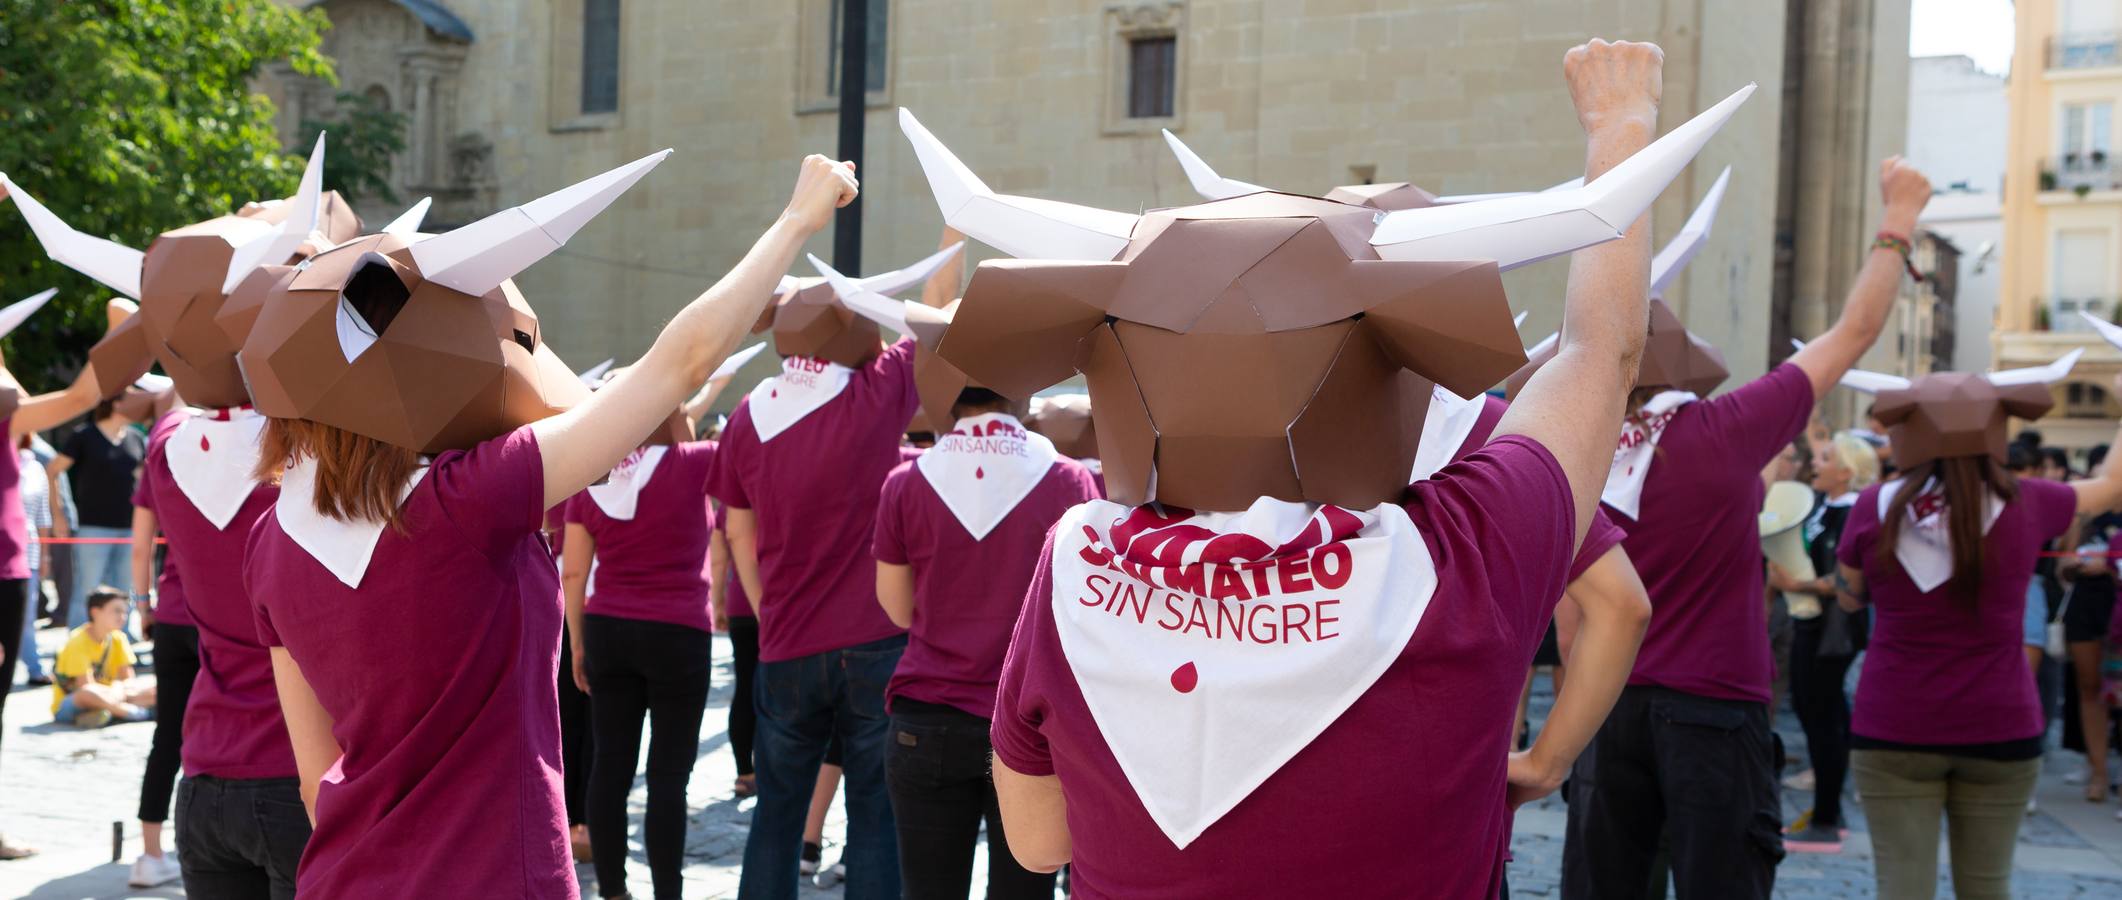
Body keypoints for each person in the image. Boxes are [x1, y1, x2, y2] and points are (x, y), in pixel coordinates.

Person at [902, 38, 1737, 896]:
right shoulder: (1466, 552)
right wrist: (1619, 130)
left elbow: (1039, 845)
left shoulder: (1075, 564)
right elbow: (1602, 353)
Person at [244, 153, 859, 899]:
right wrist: (795, 219)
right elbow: (677, 366)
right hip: (497, 874)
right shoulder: (465, 500)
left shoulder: (270, 543)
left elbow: (317, 782)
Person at [1559, 155, 1935, 898]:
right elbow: (1855, 331)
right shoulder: (1725, 428)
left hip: (1607, 706)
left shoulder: (1576, 446)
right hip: (1716, 706)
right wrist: (1897, 223)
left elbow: (1570, 620)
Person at [708, 245, 964, 899]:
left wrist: (767, 612)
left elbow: (737, 528)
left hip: (788, 639)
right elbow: (937, 313)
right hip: (877, 637)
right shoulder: (875, 395)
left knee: (776, 813)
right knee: (877, 813)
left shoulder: (745, 416)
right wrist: (955, 226)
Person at [1837, 370, 2122, 899]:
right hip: (2001, 723)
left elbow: (1850, 593)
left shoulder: (1874, 505)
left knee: (1901, 888)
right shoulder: (2028, 500)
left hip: (1895, 721)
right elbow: (2110, 487)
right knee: (1988, 887)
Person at [872, 383, 1099, 898]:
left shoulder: (906, 481)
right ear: (1022, 393)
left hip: (927, 712)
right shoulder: (1069, 479)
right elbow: (1085, 610)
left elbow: (896, 607)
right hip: (1031, 722)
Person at [563, 415, 720, 900]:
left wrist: (577, 643)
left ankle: (612, 890)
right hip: (680, 631)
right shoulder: (696, 462)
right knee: (669, 776)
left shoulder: (592, 479)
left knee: (609, 766)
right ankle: (668, 893)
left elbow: (573, 571)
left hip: (609, 626)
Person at [0, 281, 128, 862]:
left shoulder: (11, 420)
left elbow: (80, 394)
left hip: (12, 573)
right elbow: (82, 396)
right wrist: (124, 327)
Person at [1769, 431, 1881, 853]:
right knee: (1816, 713)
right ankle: (1826, 812)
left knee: (1824, 718)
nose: (1816, 463)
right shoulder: (1826, 505)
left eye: (1827, 458)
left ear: (1846, 473)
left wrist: (1798, 583)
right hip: (1811, 624)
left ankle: (1827, 818)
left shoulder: (1852, 513)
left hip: (1832, 631)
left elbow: (1851, 581)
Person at [51, 387, 151, 628]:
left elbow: (144, 481)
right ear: (116, 404)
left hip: (129, 527)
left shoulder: (135, 439)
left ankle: (120, 646)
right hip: (93, 527)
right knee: (87, 590)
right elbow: (52, 470)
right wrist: (58, 514)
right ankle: (77, 644)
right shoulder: (84, 436)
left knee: (122, 590)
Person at [52, 586, 156, 725]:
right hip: (74, 702)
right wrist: (118, 690)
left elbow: (128, 679)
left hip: (114, 695)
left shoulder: (118, 638)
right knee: (88, 694)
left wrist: (119, 689)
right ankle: (134, 713)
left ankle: (108, 712)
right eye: (117, 611)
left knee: (155, 687)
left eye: (125, 612)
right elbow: (86, 686)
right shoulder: (77, 641)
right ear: (95, 612)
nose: (123, 617)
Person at [16, 434, 53, 687]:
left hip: (26, 551)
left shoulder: (35, 466)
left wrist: (45, 555)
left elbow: (42, 514)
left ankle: (34, 666)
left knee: (26, 615)